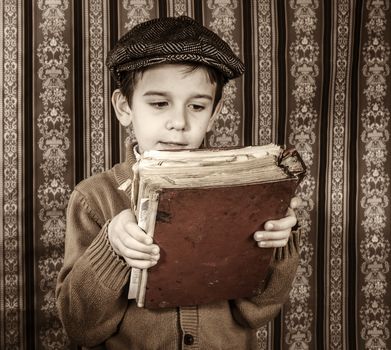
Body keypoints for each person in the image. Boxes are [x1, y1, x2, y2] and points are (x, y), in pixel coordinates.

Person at [56, 16, 300, 350]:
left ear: (213, 113)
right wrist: (112, 247)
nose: (179, 123)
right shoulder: (93, 197)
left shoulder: (242, 191)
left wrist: (277, 243)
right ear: (124, 107)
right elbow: (80, 327)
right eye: (159, 103)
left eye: (197, 106)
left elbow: (257, 313)